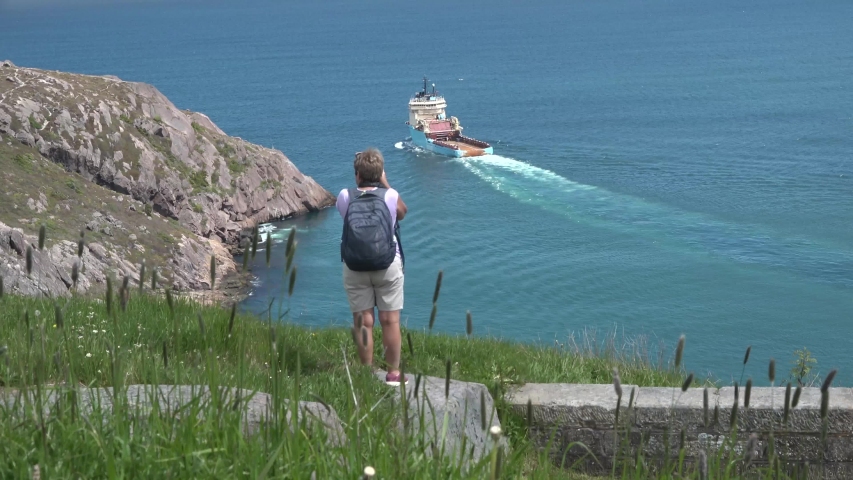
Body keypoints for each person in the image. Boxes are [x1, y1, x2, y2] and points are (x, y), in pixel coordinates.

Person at [337, 147, 408, 386]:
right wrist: (385, 183)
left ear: (357, 174)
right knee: (390, 320)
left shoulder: (345, 196)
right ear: (380, 174)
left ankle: (365, 374)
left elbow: (346, 217)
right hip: (387, 264)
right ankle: (393, 374)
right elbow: (402, 213)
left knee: (363, 322)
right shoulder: (389, 196)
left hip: (355, 265)